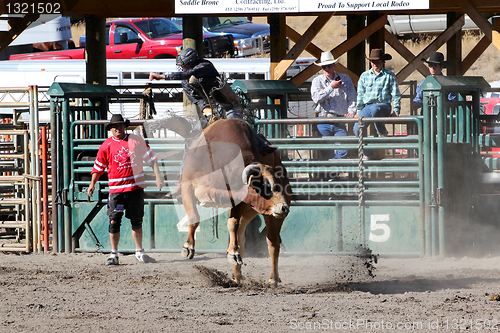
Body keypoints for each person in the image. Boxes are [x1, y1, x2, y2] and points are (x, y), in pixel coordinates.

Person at [149, 48, 276, 197]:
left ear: (193, 62)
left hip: (227, 105)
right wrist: (207, 110)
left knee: (239, 125)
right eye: (182, 66)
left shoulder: (205, 66)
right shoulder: (186, 81)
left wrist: (163, 76)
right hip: (210, 110)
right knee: (190, 139)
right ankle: (182, 180)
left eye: (185, 65)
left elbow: (188, 74)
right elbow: (195, 98)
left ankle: (261, 145)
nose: (183, 68)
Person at [87, 114, 164, 266]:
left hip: (135, 190)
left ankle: (139, 252)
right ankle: (114, 254)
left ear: (125, 126)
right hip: (117, 193)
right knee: (114, 221)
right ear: (110, 129)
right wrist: (92, 183)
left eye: (120, 125)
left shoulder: (136, 141)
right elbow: (98, 167)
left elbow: (152, 159)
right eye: (115, 126)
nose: (118, 128)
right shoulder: (106, 146)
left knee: (137, 220)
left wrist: (158, 177)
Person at [354, 49, 401, 158]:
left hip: (383, 106)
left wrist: (396, 110)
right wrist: (358, 111)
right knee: (357, 128)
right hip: (368, 106)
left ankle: (381, 132)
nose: (375, 64)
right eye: (373, 61)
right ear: (370, 62)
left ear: (383, 62)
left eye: (378, 61)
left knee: (376, 109)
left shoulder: (389, 75)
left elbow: (395, 94)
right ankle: (368, 153)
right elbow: (360, 95)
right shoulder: (364, 76)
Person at [311, 51, 357, 160]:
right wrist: (331, 87)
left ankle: (333, 168)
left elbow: (352, 97)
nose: (327, 68)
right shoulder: (317, 81)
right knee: (325, 151)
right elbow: (316, 98)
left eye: (329, 66)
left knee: (344, 149)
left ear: (334, 66)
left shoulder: (345, 78)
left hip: (339, 120)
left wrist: (351, 112)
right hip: (323, 119)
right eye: (324, 66)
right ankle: (332, 173)